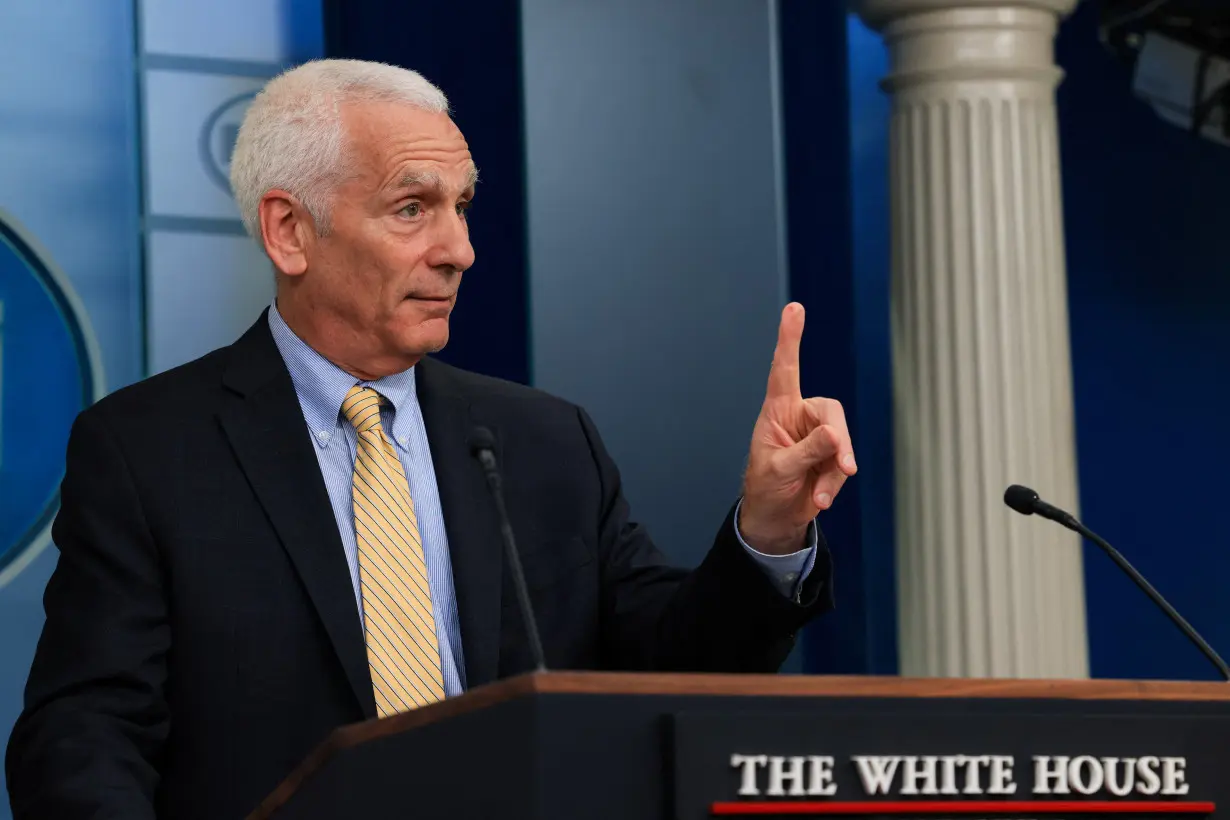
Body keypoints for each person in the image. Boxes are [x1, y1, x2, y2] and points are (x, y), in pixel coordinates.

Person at [5, 59, 856, 819]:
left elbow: (675, 668)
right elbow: (83, 736)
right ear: (289, 231)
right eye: (412, 209)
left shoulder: (543, 441)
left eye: (461, 208)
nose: (460, 250)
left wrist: (769, 532)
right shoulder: (150, 449)